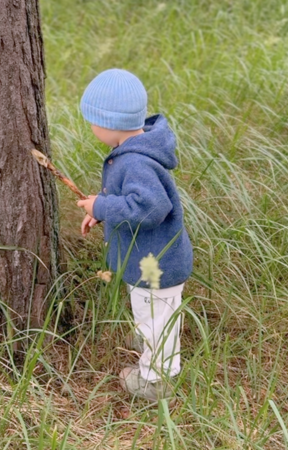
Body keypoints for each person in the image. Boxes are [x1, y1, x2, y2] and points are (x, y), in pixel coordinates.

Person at [77, 68, 193, 403]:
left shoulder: (136, 162)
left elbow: (149, 208)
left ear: (108, 123)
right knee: (154, 312)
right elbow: (129, 203)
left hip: (155, 265)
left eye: (93, 122)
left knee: (157, 315)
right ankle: (150, 341)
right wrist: (101, 212)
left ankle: (157, 380)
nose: (91, 128)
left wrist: (103, 207)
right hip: (148, 260)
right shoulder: (134, 152)